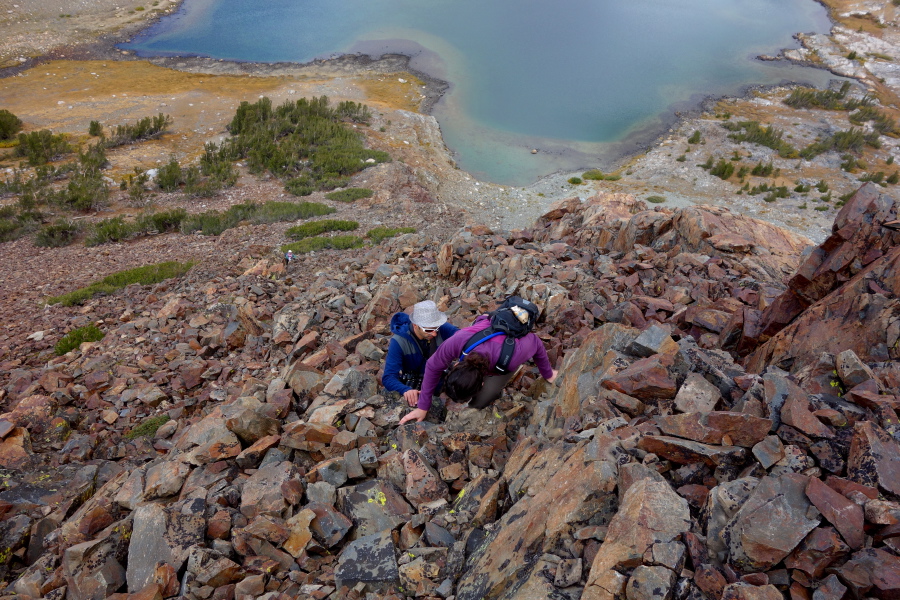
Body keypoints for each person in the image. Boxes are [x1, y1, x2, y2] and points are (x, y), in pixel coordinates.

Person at [399, 309, 557, 424]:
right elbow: (433, 367)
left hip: (505, 353)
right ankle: (484, 319)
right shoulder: (459, 340)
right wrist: (423, 407)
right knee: (483, 321)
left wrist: (548, 373)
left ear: (482, 383)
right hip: (486, 327)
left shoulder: (513, 357)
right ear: (455, 365)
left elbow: (535, 341)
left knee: (478, 404)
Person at [382, 300, 459, 407]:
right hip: (416, 387)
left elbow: (464, 338)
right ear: (415, 325)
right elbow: (388, 377)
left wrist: (463, 359)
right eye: (428, 330)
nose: (434, 333)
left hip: (441, 381)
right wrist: (405, 390)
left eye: (436, 328)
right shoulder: (399, 342)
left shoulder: (441, 327)